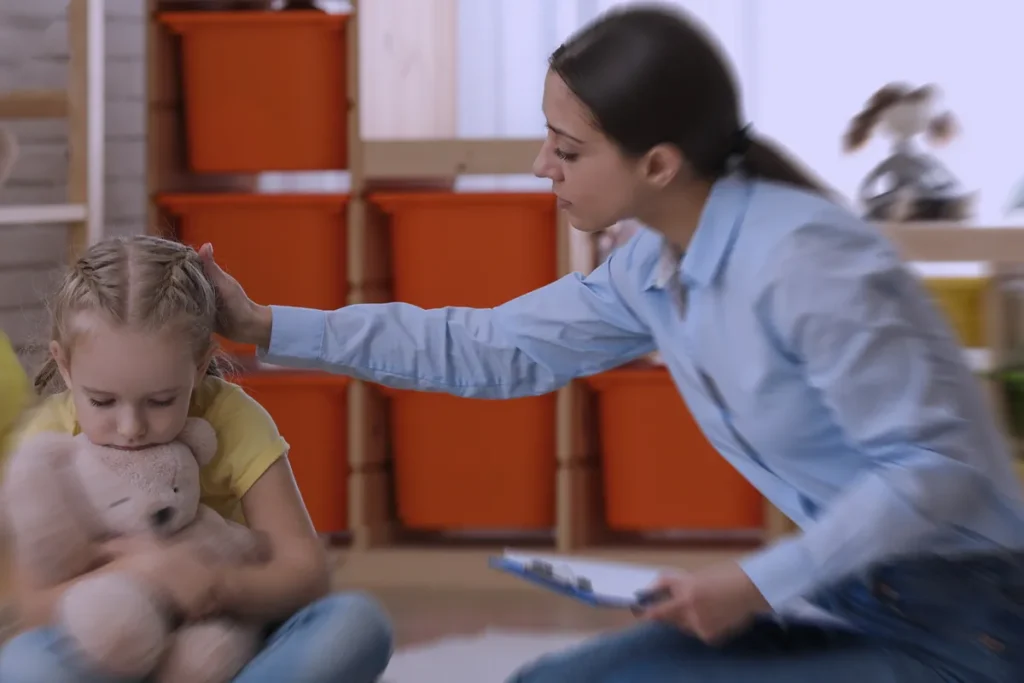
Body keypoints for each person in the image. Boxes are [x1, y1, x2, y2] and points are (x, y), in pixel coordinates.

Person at [199, 4, 1024, 681]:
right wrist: (264, 324)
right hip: (845, 593)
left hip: (971, 623)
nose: (539, 166)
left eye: (566, 150)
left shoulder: (807, 262)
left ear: (658, 164)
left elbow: (933, 470)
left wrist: (753, 580)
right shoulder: (655, 265)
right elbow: (487, 346)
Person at [0, 235, 393, 683]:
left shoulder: (231, 417)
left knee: (356, 625)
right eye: (103, 402)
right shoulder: (48, 443)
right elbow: (32, 606)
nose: (131, 427)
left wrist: (216, 586)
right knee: (25, 664)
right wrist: (141, 572)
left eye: (162, 400)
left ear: (201, 364)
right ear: (65, 366)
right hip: (112, 652)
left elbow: (305, 572)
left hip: (227, 644)